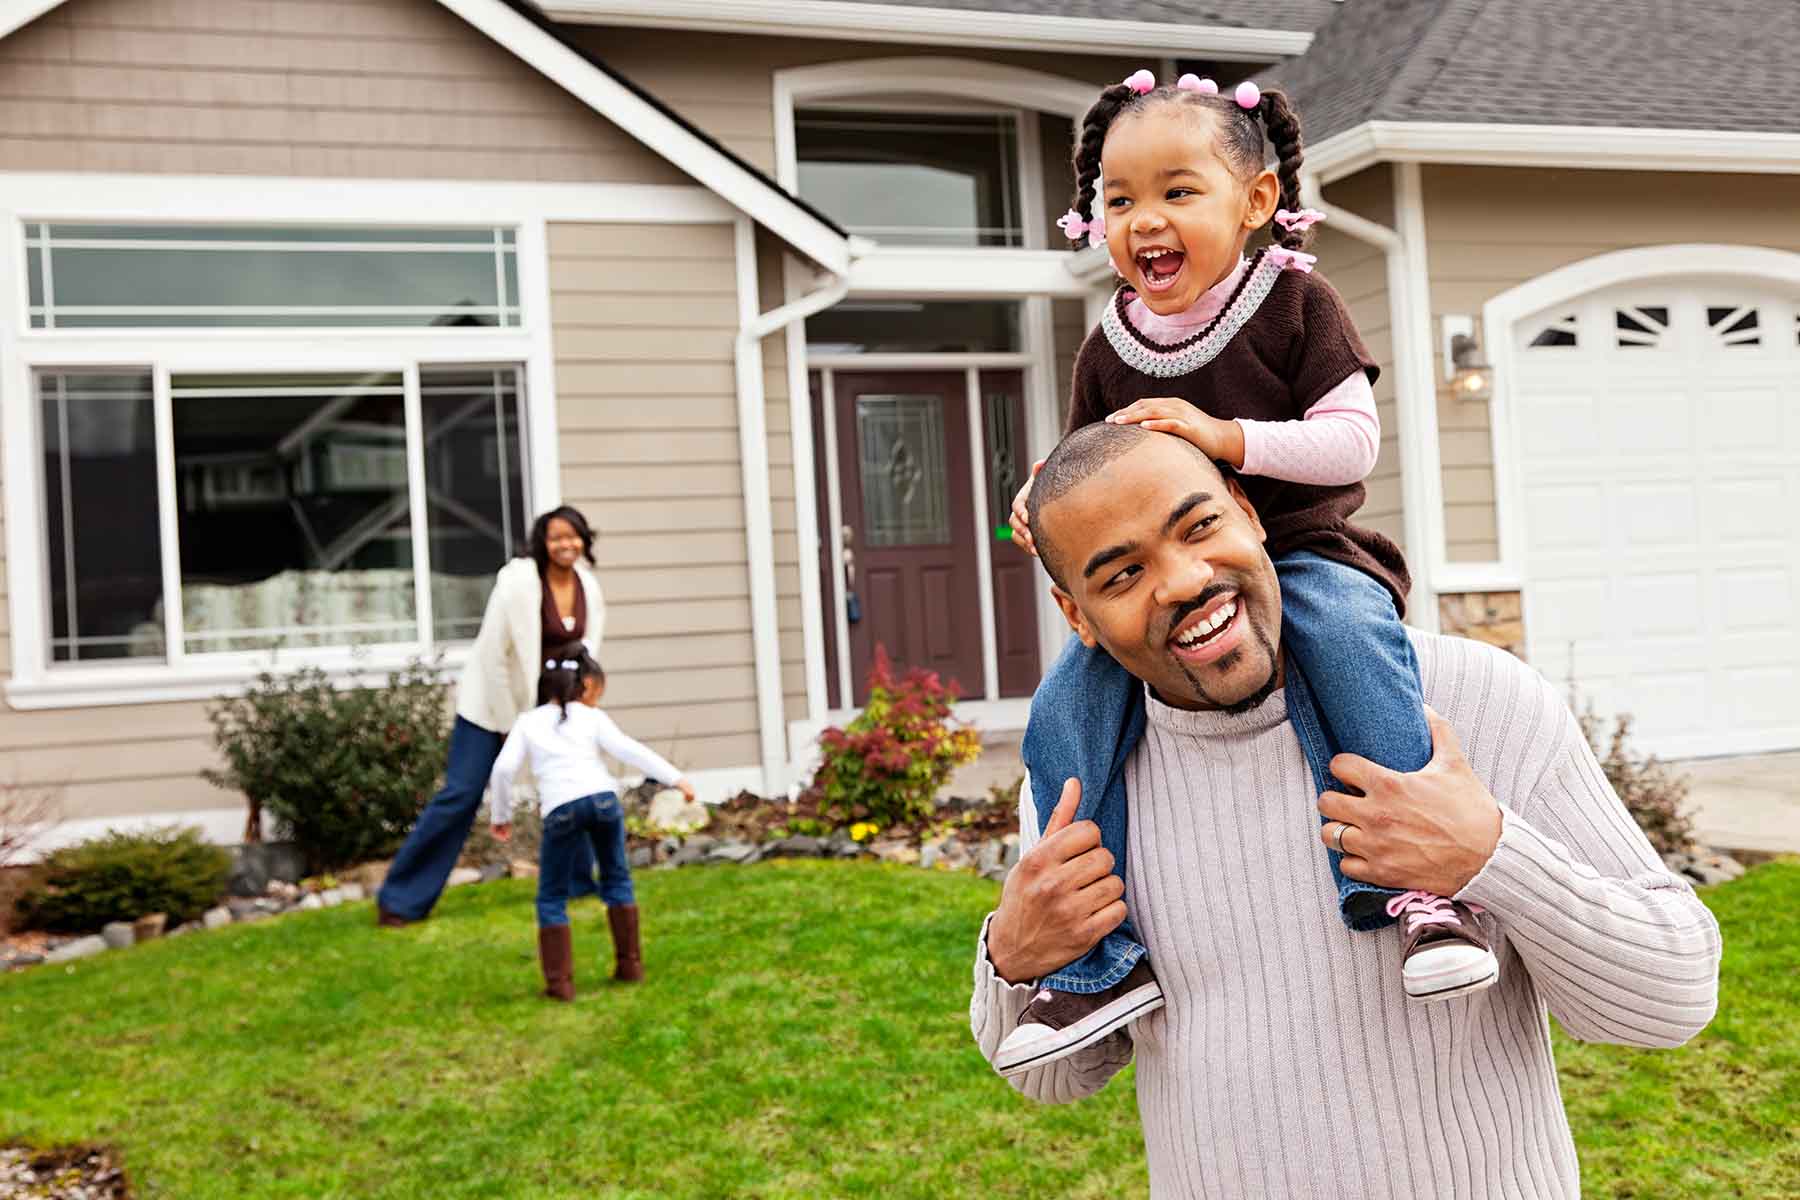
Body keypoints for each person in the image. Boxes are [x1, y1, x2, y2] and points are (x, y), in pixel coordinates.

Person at [973, 422, 1721, 1194]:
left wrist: (1491, 856)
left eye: (1200, 527)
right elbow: (1055, 1079)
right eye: (1123, 575)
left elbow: (1671, 1003)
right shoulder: (1081, 783)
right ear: (1077, 616)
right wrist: (1012, 960)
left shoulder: (1471, 699)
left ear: (1248, 510)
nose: (1186, 581)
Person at [997, 67, 1476, 1074]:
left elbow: (1351, 446)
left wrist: (1223, 436)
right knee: (1058, 715)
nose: (1145, 220)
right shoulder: (1109, 343)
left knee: (1346, 641)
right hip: (1175, 592)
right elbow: (1094, 462)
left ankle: (1422, 894)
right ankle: (1097, 962)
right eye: (1119, 200)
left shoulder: (1295, 304)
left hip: (1303, 552)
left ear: (1256, 202)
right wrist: (1043, 490)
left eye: (1178, 191)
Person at [377, 506, 607, 927]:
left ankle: (579, 883)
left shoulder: (588, 587)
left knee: (573, 790)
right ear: (542, 542)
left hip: (553, 712)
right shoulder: (518, 582)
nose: (565, 545)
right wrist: (510, 725)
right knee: (460, 795)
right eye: (556, 537)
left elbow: (588, 657)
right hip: (490, 708)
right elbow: (495, 659)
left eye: (573, 537)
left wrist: (575, 710)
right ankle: (400, 901)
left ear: (584, 541)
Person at [489, 644, 692, 1000]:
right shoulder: (590, 716)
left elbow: (504, 768)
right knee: (617, 879)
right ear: (576, 685)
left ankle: (560, 984)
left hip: (561, 809)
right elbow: (630, 749)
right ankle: (630, 966)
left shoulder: (528, 722)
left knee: (552, 895)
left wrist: (501, 816)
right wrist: (677, 778)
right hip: (603, 800)